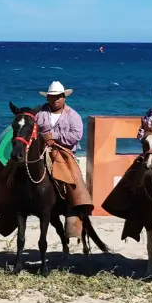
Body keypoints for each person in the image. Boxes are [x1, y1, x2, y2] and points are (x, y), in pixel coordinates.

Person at [35, 82, 92, 211]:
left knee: (73, 178)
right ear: (47, 97)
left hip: (64, 152)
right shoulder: (39, 113)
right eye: (53, 96)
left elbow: (76, 136)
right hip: (41, 149)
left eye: (59, 96)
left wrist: (54, 136)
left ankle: (78, 205)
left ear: (64, 97)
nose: (56, 99)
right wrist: (44, 138)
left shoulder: (73, 116)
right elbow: (33, 131)